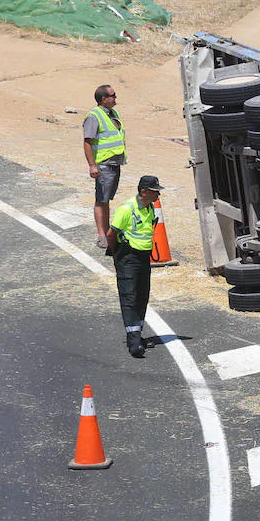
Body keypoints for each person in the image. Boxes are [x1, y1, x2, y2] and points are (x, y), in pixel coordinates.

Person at [107, 175, 163, 358]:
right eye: (155, 192)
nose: (158, 196)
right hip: (128, 257)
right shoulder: (126, 209)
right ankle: (134, 342)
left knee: (141, 295)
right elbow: (111, 233)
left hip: (143, 257)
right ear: (143, 191)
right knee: (129, 296)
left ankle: (137, 334)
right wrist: (117, 256)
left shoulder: (150, 207)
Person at [83, 84, 126, 250]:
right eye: (113, 95)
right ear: (103, 99)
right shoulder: (94, 116)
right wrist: (92, 165)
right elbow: (88, 142)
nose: (115, 98)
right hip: (104, 164)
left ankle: (108, 231)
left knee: (106, 198)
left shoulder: (113, 114)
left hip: (114, 164)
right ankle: (102, 234)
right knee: (101, 199)